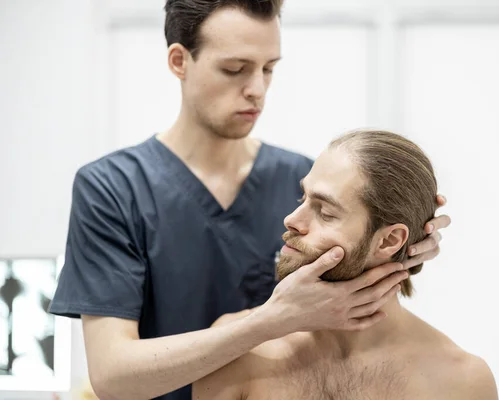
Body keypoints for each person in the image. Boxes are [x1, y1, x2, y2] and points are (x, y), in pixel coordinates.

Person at [48, 1, 451, 400]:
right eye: (235, 69)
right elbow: (114, 376)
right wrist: (271, 320)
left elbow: (351, 284)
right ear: (179, 61)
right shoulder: (112, 189)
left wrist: (408, 244)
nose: (257, 89)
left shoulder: (300, 181)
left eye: (269, 68)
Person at [192, 129, 497, 400]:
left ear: (390, 241)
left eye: (325, 212)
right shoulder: (236, 350)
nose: (292, 220)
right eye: (303, 198)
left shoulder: (463, 382)